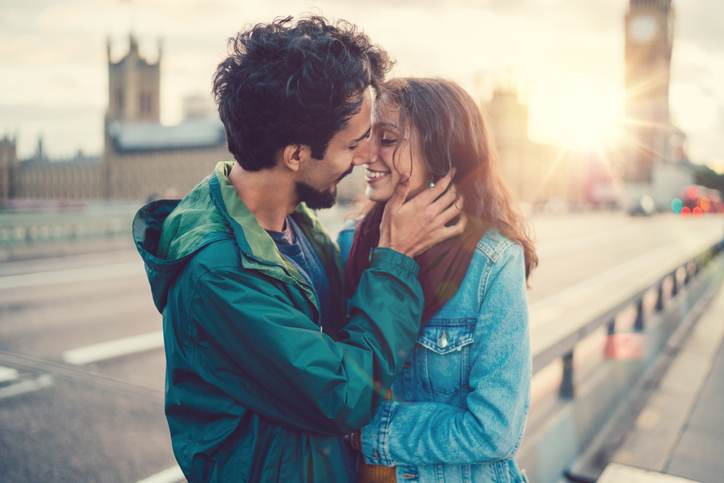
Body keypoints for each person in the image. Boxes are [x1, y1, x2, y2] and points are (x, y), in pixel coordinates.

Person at [132, 18, 465, 482]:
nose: (367, 156)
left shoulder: (294, 223)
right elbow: (345, 394)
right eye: (353, 143)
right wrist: (396, 259)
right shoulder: (218, 275)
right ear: (295, 155)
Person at [338, 78, 538, 482]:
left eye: (388, 140)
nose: (367, 154)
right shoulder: (349, 245)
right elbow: (337, 381)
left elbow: (495, 429)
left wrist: (369, 434)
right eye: (367, 138)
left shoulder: (492, 262)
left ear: (441, 154)